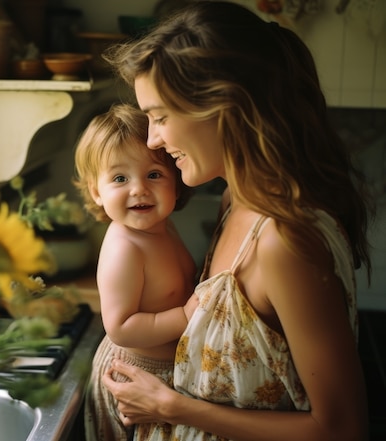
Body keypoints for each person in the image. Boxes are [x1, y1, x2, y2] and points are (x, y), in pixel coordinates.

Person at [100, 2, 374, 441]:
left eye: (161, 116)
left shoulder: (284, 239)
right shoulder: (235, 198)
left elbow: (341, 429)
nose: (153, 139)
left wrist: (171, 407)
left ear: (224, 107)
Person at [73, 103, 199, 441]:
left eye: (154, 175)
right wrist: (187, 316)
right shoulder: (125, 248)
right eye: (119, 178)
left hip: (167, 372)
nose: (139, 189)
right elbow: (121, 328)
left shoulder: (162, 226)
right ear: (96, 191)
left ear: (176, 179)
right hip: (137, 375)